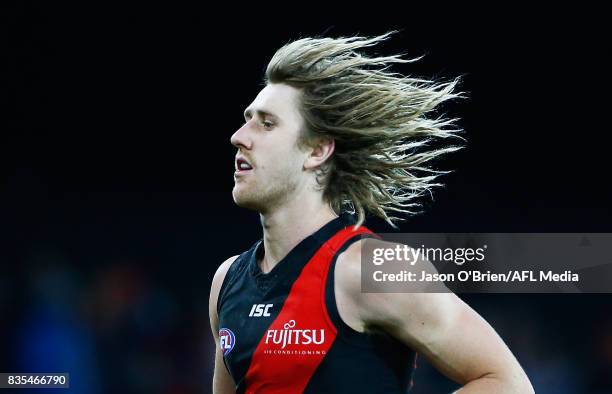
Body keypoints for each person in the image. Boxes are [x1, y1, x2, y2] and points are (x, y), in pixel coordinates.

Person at [208, 32, 534, 393]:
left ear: (317, 151)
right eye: (247, 118)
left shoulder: (373, 268)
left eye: (266, 124)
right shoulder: (227, 281)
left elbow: (507, 383)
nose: (239, 136)